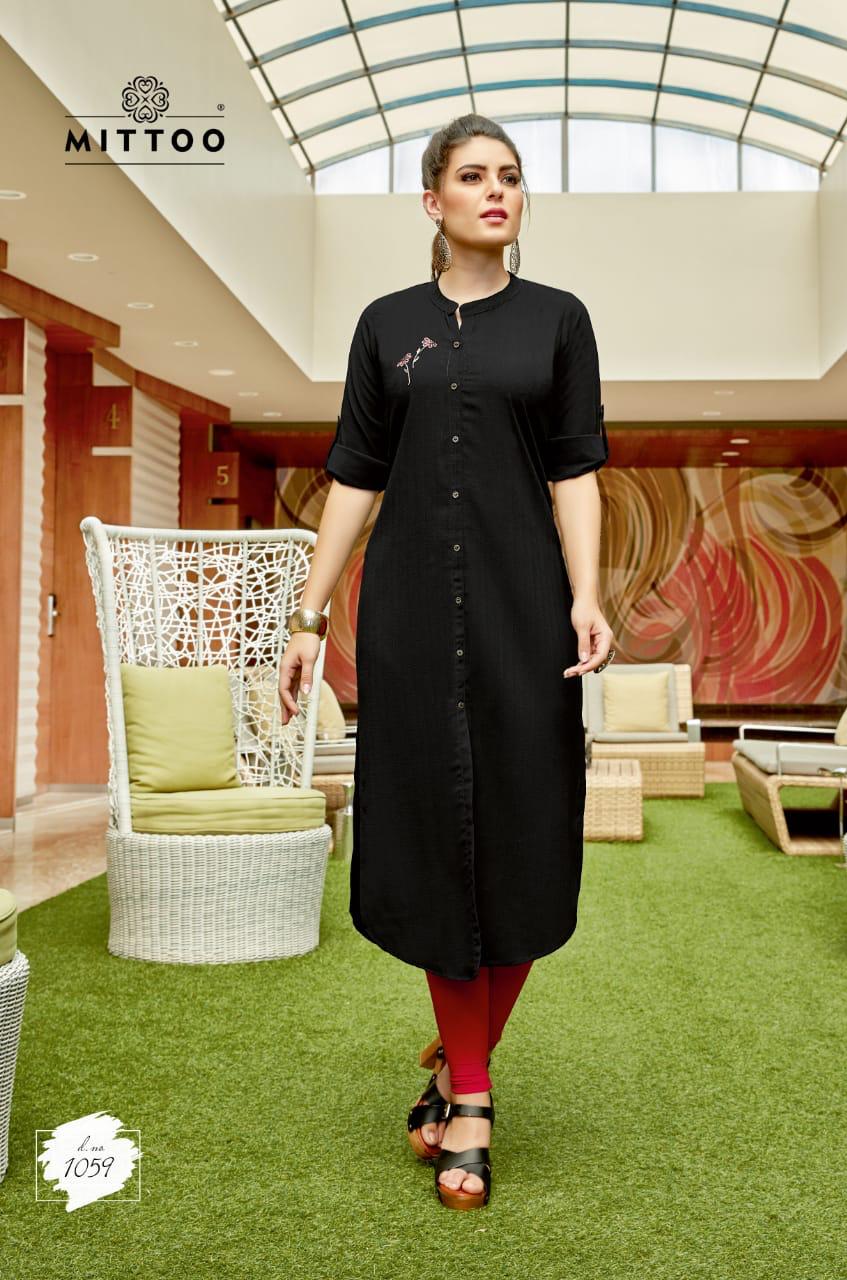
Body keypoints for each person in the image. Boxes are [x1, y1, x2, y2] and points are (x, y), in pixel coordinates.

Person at [279, 113, 615, 1211]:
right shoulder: (386, 326)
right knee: (434, 838)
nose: (496, 190)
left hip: (525, 609)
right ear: (433, 201)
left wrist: (585, 596)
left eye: (509, 175)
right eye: (472, 176)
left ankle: (457, 1057)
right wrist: (308, 615)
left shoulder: (559, 320)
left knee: (524, 833)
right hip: (411, 615)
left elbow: (575, 471)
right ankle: (470, 1093)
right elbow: (354, 474)